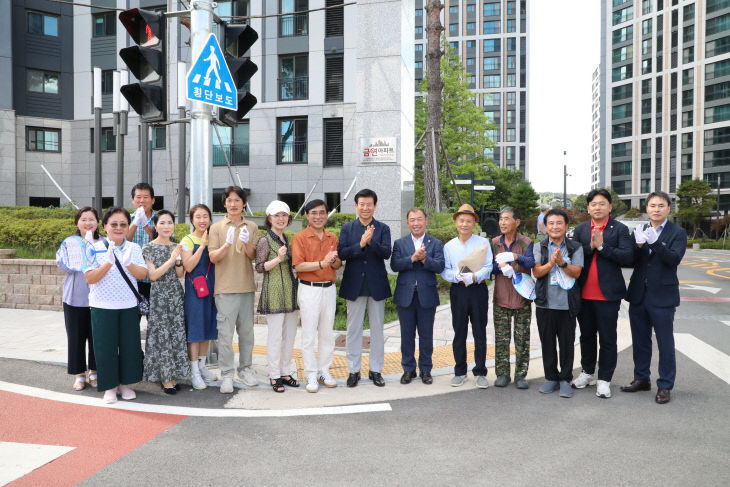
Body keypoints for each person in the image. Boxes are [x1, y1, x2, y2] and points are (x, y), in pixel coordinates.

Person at [621, 191, 686, 404]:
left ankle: (665, 385)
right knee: (640, 341)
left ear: (669, 208)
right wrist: (638, 246)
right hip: (639, 294)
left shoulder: (677, 232)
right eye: (652, 205)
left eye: (660, 205)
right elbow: (631, 260)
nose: (656, 209)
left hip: (663, 296)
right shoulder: (640, 230)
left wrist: (656, 243)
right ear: (646, 209)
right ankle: (641, 379)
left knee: (665, 342)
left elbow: (673, 259)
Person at [571, 189, 634, 398]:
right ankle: (587, 372)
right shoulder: (580, 229)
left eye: (602, 203)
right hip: (583, 294)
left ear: (610, 206)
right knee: (587, 336)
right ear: (588, 208)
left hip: (608, 295)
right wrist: (591, 246)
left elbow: (627, 257)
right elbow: (574, 256)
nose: (597, 207)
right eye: (593, 204)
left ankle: (605, 379)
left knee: (607, 338)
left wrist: (603, 247)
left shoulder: (620, 229)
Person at [84, 207, 148, 404]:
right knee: (105, 347)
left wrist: (128, 263)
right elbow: (90, 278)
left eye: (123, 224)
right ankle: (110, 386)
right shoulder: (93, 247)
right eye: (114, 224)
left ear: (128, 226)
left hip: (128, 305)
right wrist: (108, 263)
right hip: (102, 306)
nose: (118, 228)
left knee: (129, 346)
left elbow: (142, 274)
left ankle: (125, 384)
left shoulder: (134, 249)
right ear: (104, 227)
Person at [338, 189, 392, 388]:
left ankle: (376, 370)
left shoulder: (383, 228)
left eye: (369, 204)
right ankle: (353, 370)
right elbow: (342, 253)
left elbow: (386, 253)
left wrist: (371, 243)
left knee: (377, 330)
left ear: (375, 206)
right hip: (354, 285)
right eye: (362, 204)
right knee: (353, 330)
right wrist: (360, 244)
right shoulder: (347, 228)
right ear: (356, 206)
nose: (366, 208)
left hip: (376, 285)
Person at [208, 186, 259, 394]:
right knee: (226, 335)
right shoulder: (217, 227)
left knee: (247, 333)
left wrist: (246, 242)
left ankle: (245, 369)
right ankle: (227, 374)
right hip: (225, 288)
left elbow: (254, 255)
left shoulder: (252, 226)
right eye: (230, 200)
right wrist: (227, 243)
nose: (234, 204)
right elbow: (213, 257)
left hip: (246, 287)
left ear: (243, 203)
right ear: (225, 203)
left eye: (238, 200)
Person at [291, 199, 342, 393]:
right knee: (309, 334)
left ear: (327, 215)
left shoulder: (331, 237)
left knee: (327, 333)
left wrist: (334, 260)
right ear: (307, 215)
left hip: (329, 288)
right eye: (314, 213)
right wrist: (322, 263)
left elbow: (337, 265)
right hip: (309, 289)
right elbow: (299, 266)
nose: (318, 216)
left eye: (322, 212)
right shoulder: (300, 238)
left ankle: (323, 370)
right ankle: (311, 373)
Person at [532, 208, 584, 398]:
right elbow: (536, 272)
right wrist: (551, 263)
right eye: (551, 223)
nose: (555, 227)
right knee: (547, 342)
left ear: (566, 226)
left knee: (567, 343)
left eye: (559, 223)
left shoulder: (575, 247)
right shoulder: (540, 246)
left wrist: (562, 263)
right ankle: (551, 378)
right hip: (545, 303)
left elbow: (577, 272)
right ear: (545, 227)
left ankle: (565, 379)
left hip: (567, 304)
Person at [390, 208, 445, 385]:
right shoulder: (400, 243)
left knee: (426, 335)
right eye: (412, 220)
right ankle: (408, 369)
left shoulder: (435, 243)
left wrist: (424, 260)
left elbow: (440, 266)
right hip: (405, 295)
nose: (416, 223)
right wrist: (413, 258)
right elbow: (395, 265)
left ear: (426, 221)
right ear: (408, 223)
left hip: (426, 295)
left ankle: (426, 369)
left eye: (419, 219)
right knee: (406, 335)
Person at [441, 204, 493, 388]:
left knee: (480, 331)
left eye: (468, 221)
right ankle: (460, 371)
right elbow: (444, 271)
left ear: (474, 223)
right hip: (459, 291)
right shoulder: (448, 246)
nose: (464, 224)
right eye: (461, 220)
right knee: (459, 331)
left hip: (478, 290)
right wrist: (456, 276)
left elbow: (488, 267)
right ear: (456, 222)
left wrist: (474, 276)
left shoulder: (483, 243)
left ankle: (480, 372)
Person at [142, 210, 190, 395]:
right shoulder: (148, 248)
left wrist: (178, 262)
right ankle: (165, 378)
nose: (166, 226)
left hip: (176, 295)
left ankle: (174, 374)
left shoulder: (178, 246)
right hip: (159, 296)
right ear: (155, 226)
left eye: (169, 222)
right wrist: (171, 259)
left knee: (176, 333)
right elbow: (153, 276)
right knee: (161, 335)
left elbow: (180, 275)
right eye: (162, 223)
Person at [255, 201, 300, 393]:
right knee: (275, 336)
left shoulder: (288, 238)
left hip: (290, 289)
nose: (281, 219)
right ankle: (274, 375)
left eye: (284, 215)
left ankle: (285, 372)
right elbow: (259, 267)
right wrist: (278, 259)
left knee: (290, 335)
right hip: (273, 290)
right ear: (269, 218)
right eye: (277, 215)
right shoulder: (265, 240)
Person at [490, 206, 535, 390]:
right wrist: (500, 266)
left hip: (522, 297)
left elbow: (532, 262)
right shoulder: (494, 242)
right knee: (501, 338)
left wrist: (516, 256)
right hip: (501, 296)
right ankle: (502, 373)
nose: (502, 222)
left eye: (507, 219)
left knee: (522, 338)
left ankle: (520, 374)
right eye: (501, 219)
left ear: (517, 222)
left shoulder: (526, 242)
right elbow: (489, 267)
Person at [56, 206, 99, 391]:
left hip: (98, 299)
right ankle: (79, 374)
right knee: (75, 338)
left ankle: (94, 371)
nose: (88, 223)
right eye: (84, 219)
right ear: (77, 223)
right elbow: (63, 265)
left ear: (98, 223)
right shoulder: (69, 242)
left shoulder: (103, 243)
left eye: (91, 219)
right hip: (74, 298)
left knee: (96, 337)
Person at [180, 204, 218, 390]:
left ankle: (202, 367)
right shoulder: (187, 240)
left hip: (212, 289)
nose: (202, 220)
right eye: (198, 217)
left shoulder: (215, 238)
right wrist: (202, 246)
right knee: (195, 330)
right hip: (195, 291)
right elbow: (188, 266)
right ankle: (194, 371)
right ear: (192, 220)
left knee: (208, 328)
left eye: (205, 216)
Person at [126, 183, 156, 301]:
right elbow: (123, 242)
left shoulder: (162, 219)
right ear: (133, 200)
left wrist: (146, 225)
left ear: (153, 200)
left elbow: (165, 242)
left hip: (154, 278)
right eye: (138, 197)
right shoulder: (125, 219)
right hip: (131, 278)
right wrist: (135, 223)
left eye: (146, 197)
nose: (142, 201)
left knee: (155, 319)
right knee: (132, 318)